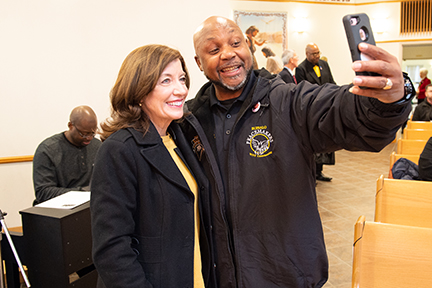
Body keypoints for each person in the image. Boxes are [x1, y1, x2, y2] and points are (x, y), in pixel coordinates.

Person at [181, 16, 413, 287]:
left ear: (248, 46)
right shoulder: (189, 122)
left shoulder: (288, 102)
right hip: (219, 277)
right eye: (214, 49)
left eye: (235, 43)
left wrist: (392, 97)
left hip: (285, 276)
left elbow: (344, 111)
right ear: (198, 63)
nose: (229, 54)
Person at [90, 44, 215, 288]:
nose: (180, 90)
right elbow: (112, 250)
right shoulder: (119, 150)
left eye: (182, 79)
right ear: (139, 90)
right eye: (165, 81)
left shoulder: (179, 137)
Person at [32, 105, 101, 205]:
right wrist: (81, 193)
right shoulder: (47, 150)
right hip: (57, 211)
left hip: (89, 207)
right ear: (70, 126)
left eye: (93, 133)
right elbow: (43, 192)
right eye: (84, 134)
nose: (89, 138)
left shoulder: (97, 146)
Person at [296, 43, 337, 181]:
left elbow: (331, 82)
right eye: (314, 54)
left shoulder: (324, 65)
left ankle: (319, 172)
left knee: (325, 139)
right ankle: (312, 173)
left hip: (326, 106)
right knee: (313, 141)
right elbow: (302, 91)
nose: (317, 56)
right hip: (312, 108)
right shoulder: (301, 69)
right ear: (307, 54)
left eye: (318, 52)